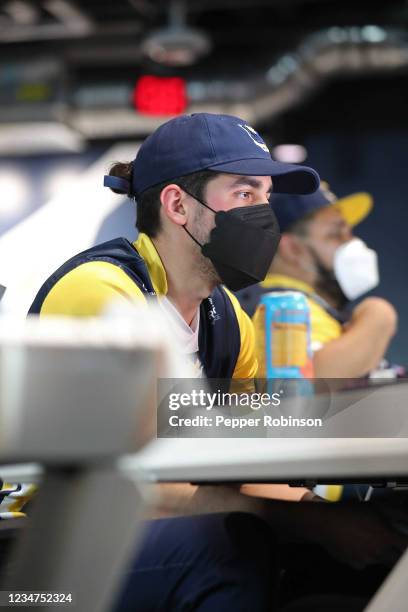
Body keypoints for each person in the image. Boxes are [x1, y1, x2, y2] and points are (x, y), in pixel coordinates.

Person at [26, 116, 407, 611]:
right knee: (225, 547)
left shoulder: (227, 318)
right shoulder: (104, 294)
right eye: (245, 194)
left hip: (152, 532)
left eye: (267, 196)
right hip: (47, 559)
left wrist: (333, 518)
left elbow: (246, 465)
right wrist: (307, 522)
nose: (265, 213)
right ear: (178, 205)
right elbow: (130, 486)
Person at [236, 183, 398, 379]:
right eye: (336, 235)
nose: (354, 244)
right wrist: (379, 316)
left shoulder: (313, 309)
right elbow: (303, 391)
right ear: (293, 249)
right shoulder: (279, 309)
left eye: (350, 232)